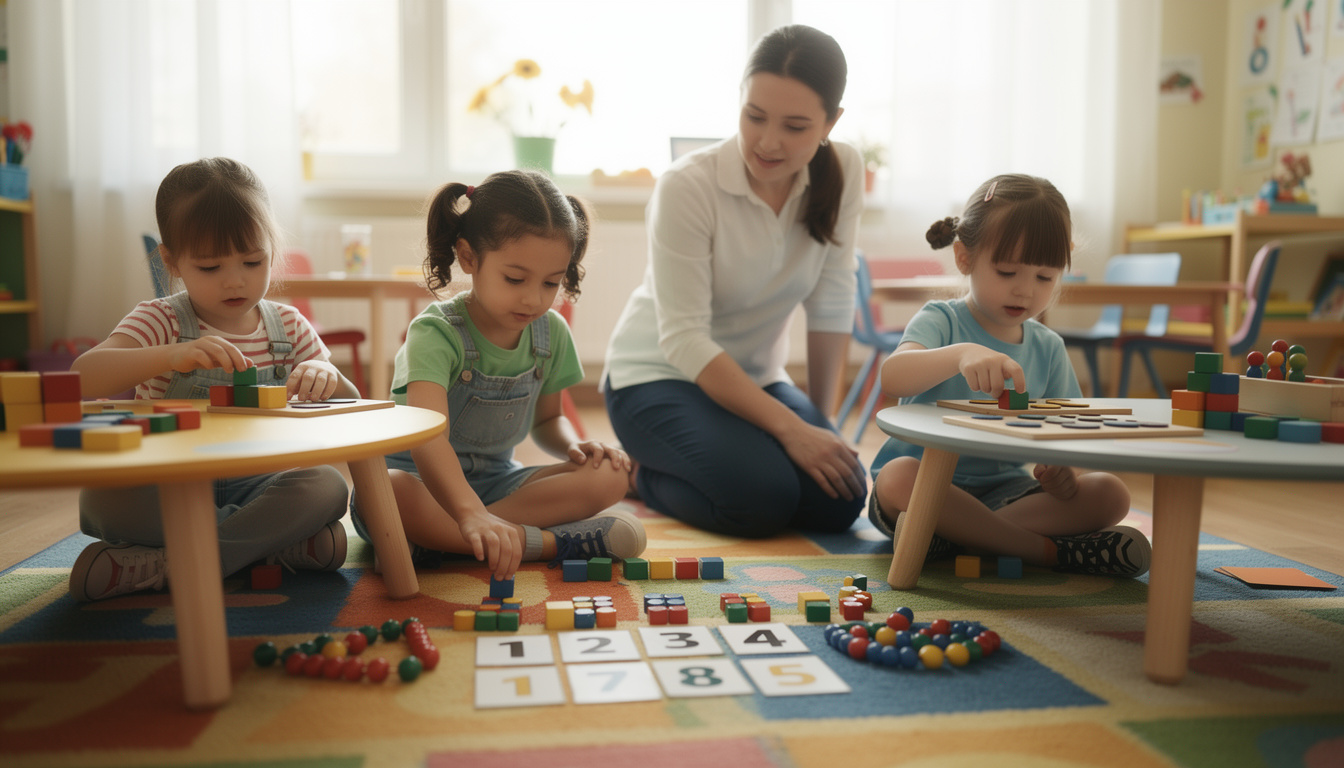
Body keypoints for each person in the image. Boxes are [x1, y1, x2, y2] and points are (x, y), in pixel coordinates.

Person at [602, 24, 867, 539]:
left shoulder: (844, 171)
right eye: (754, 116)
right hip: (656, 376)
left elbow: (833, 300)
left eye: (795, 126)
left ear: (831, 122)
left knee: (839, 500)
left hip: (757, 379)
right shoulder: (688, 186)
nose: (768, 142)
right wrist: (791, 430)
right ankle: (638, 475)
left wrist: (821, 430)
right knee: (759, 500)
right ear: (739, 102)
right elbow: (682, 337)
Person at [69, 157, 356, 601]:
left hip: (262, 481)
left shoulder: (289, 326)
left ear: (272, 253)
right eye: (210, 268)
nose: (234, 281)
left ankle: (176, 564)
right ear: (173, 261)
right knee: (100, 501)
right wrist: (170, 355)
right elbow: (82, 377)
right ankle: (269, 543)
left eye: (252, 261)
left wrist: (326, 374)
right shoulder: (160, 319)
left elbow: (352, 403)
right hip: (169, 482)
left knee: (328, 486)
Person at [350, 170, 643, 581]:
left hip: (498, 485)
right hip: (424, 485)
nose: (533, 298)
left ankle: (449, 540)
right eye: (515, 279)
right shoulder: (435, 332)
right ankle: (541, 544)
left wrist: (577, 446)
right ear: (468, 257)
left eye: (550, 283)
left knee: (612, 474)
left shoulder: (550, 333)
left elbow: (547, 422)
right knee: (387, 491)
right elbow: (427, 440)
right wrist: (465, 511)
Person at [868, 173, 1149, 578]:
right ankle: (1041, 551)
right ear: (965, 257)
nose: (1024, 291)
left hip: (1007, 495)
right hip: (924, 484)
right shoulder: (941, 320)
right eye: (1006, 272)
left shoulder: (1047, 346)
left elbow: (1066, 430)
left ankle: (954, 537)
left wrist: (1062, 473)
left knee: (1110, 493)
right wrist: (961, 354)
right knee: (897, 477)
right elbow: (893, 378)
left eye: (1044, 277)